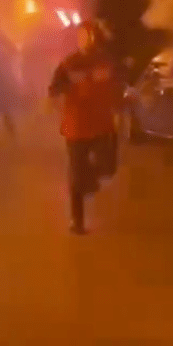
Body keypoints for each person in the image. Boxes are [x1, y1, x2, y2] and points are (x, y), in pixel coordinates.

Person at [48, 20, 122, 235]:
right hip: (77, 126)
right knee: (76, 176)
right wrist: (60, 94)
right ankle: (77, 221)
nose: (84, 40)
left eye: (89, 35)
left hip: (102, 125)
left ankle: (91, 179)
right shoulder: (70, 64)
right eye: (81, 36)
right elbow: (54, 88)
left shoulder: (107, 62)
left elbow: (120, 83)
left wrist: (125, 101)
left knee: (108, 166)